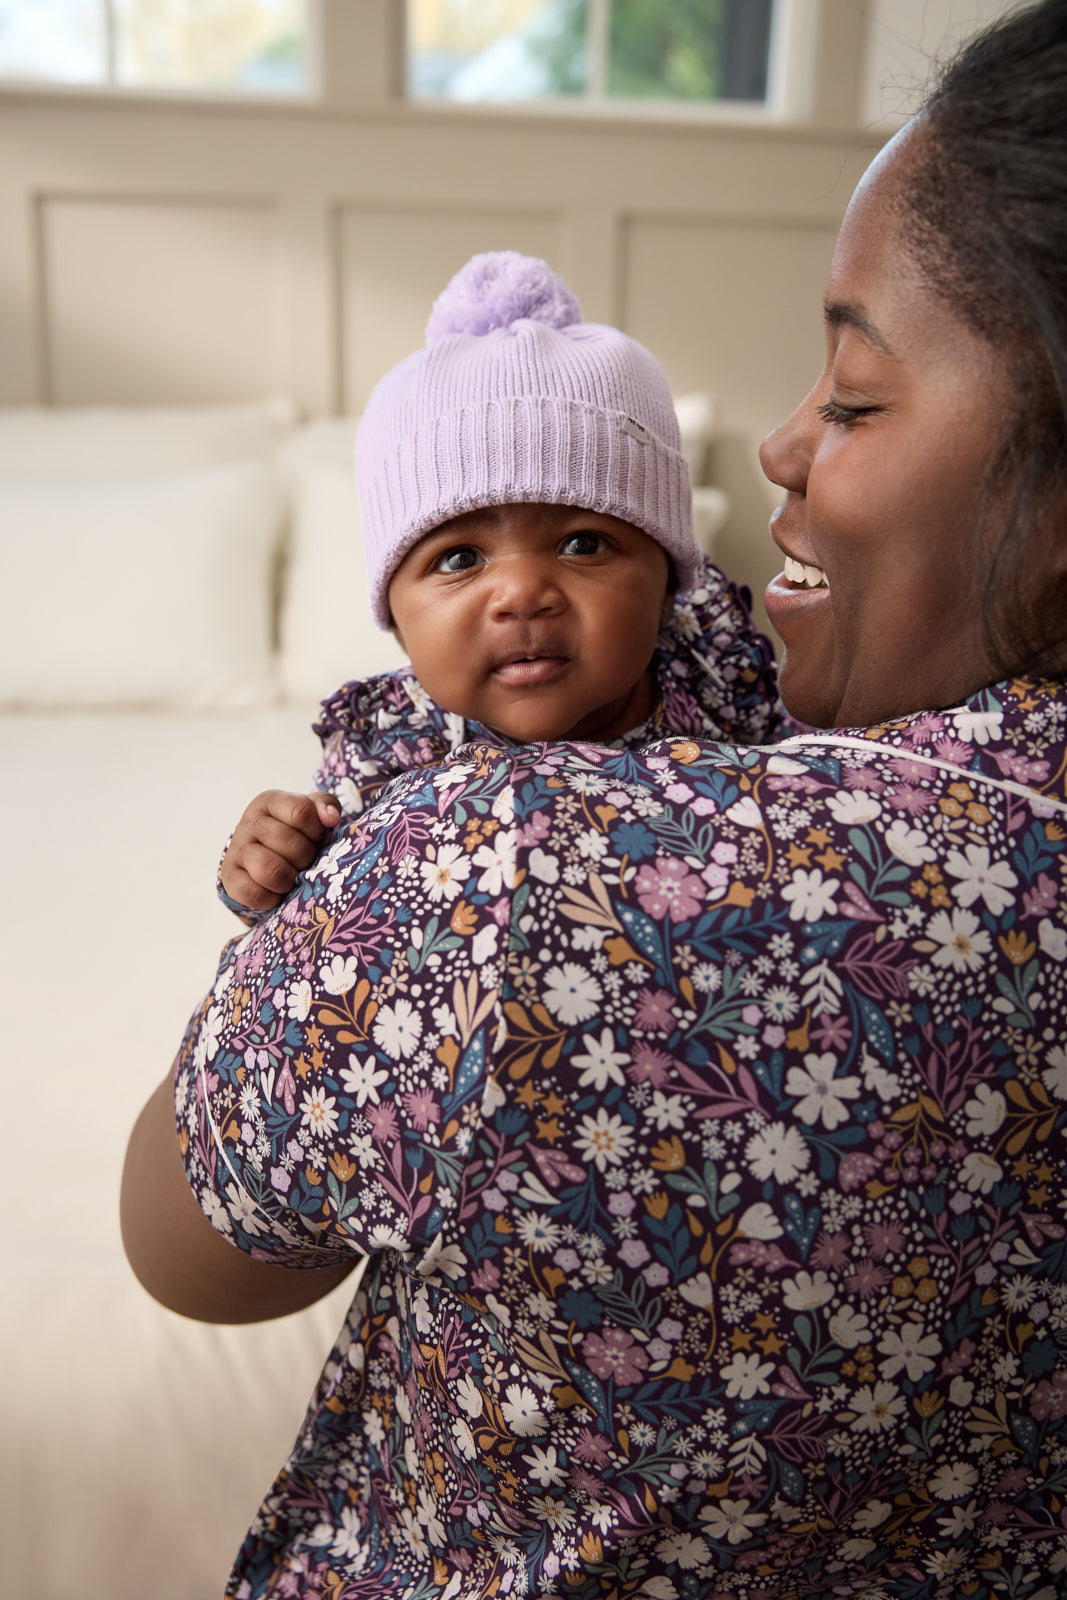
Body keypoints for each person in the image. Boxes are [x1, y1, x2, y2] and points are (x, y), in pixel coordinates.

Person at [121, 4, 1067, 1597]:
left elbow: (188, 1245)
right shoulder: (389, 791)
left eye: (847, 397)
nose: (778, 443)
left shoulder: (472, 891)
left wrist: (312, 968)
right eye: (451, 559)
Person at [215, 252, 781, 925]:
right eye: (457, 558)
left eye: (583, 543)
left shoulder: (713, 678)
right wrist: (263, 864)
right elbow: (304, 921)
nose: (520, 593)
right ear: (395, 620)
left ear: (668, 585)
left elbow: (808, 796)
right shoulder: (392, 746)